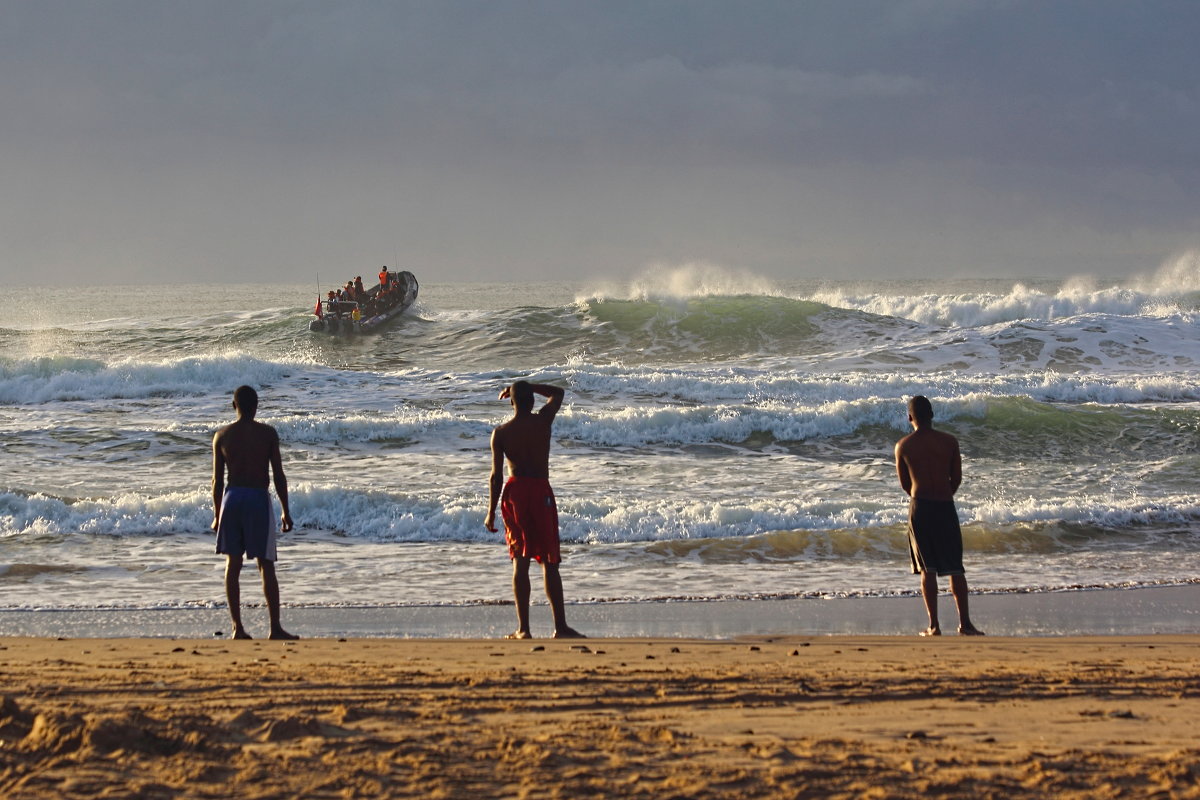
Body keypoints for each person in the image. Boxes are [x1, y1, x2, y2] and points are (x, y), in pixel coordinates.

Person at [485, 380, 584, 639]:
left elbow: (496, 478)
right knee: (550, 561)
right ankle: (560, 627)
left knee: (520, 559)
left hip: (515, 494)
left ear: (511, 401)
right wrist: (529, 386)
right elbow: (558, 393)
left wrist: (490, 510)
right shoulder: (543, 422)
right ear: (533, 401)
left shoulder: (501, 433)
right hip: (541, 492)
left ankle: (523, 629)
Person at [212, 385, 298, 640]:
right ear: (257, 406)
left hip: (233, 498)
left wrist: (217, 514)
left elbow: (217, 482)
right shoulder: (267, 434)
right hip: (258, 498)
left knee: (233, 563)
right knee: (266, 564)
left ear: (233, 405)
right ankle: (275, 628)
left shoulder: (222, 436)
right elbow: (278, 476)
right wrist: (285, 510)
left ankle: (237, 627)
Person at [894, 395, 984, 637]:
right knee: (956, 567)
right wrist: (945, 494)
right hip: (945, 505)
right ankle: (965, 624)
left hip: (920, 507)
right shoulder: (949, 442)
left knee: (928, 568)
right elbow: (956, 479)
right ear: (932, 415)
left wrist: (922, 495)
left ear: (909, 417)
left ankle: (934, 625)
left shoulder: (903, 446)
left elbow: (905, 484)